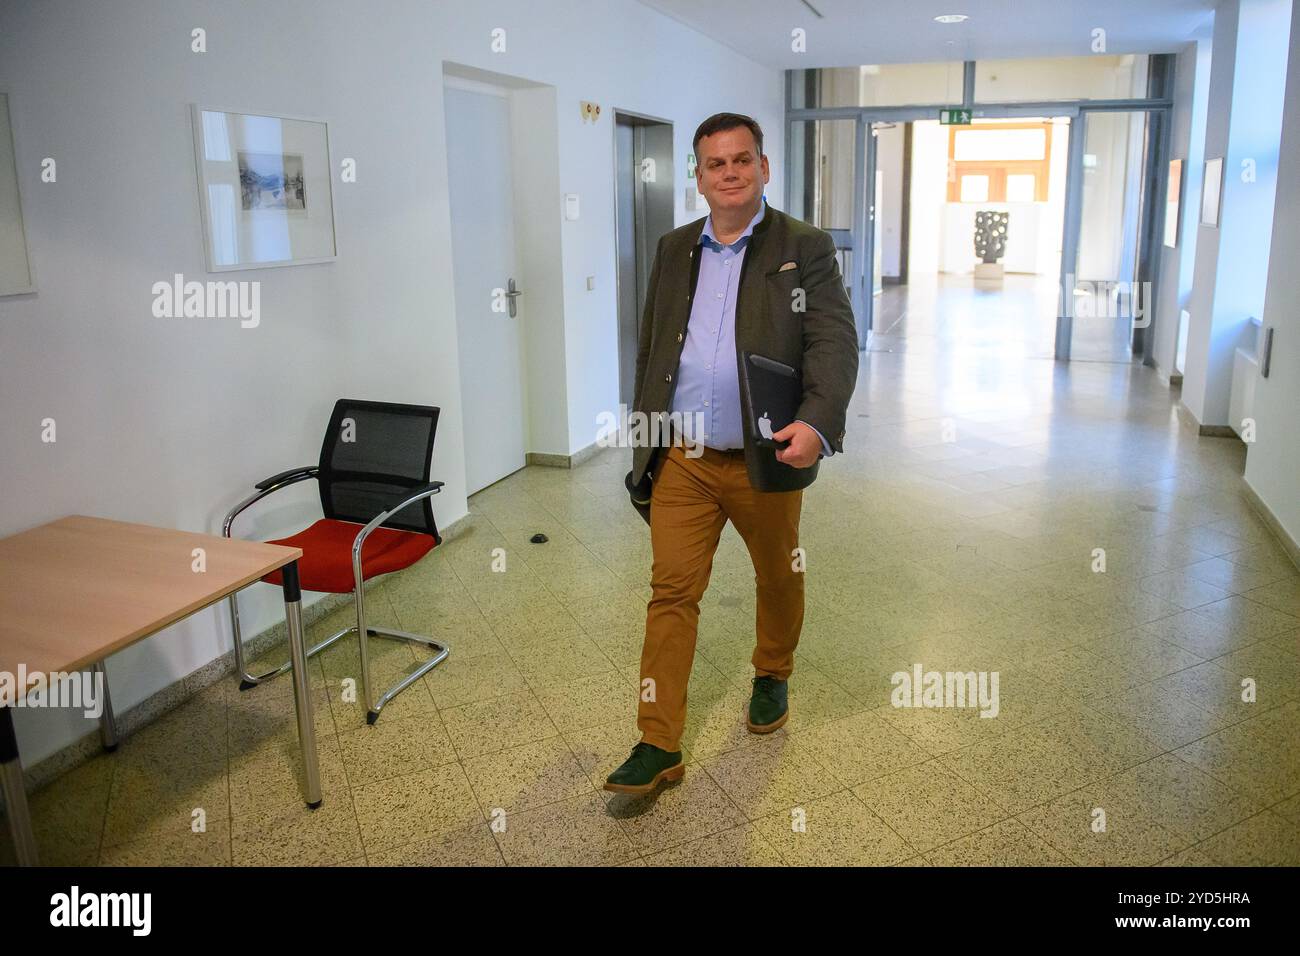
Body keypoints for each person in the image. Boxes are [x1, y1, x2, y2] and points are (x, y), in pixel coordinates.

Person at [605, 112, 859, 795]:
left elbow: (833, 341)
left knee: (778, 574)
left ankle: (772, 671)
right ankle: (658, 742)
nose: (729, 173)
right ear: (698, 176)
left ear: (763, 167)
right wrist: (645, 442)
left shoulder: (802, 247)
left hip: (765, 451)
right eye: (714, 164)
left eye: (741, 160)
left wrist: (819, 423)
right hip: (684, 455)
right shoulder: (673, 247)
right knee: (671, 591)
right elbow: (654, 347)